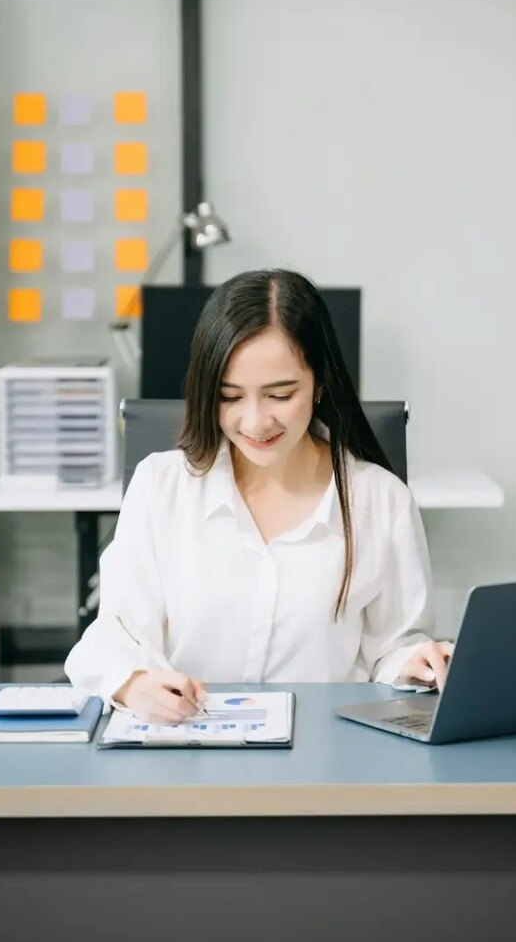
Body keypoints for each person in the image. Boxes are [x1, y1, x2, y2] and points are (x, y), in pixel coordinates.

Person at [65, 268, 452, 722]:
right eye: (230, 397)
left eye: (280, 395)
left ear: (320, 384)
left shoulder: (381, 500)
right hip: (183, 750)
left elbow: (393, 647)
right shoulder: (160, 487)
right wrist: (133, 684)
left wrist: (415, 663)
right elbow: (114, 635)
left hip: (325, 757)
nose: (255, 422)